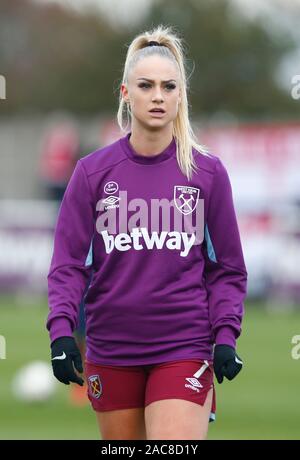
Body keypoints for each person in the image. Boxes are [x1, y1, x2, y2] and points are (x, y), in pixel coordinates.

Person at [46, 24, 247, 440]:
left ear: (180, 96)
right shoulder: (91, 173)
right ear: (126, 93)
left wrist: (225, 334)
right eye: (146, 85)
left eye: (169, 86)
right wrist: (62, 332)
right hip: (111, 350)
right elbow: (68, 265)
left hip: (184, 348)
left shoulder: (207, 174)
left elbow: (227, 268)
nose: (158, 95)